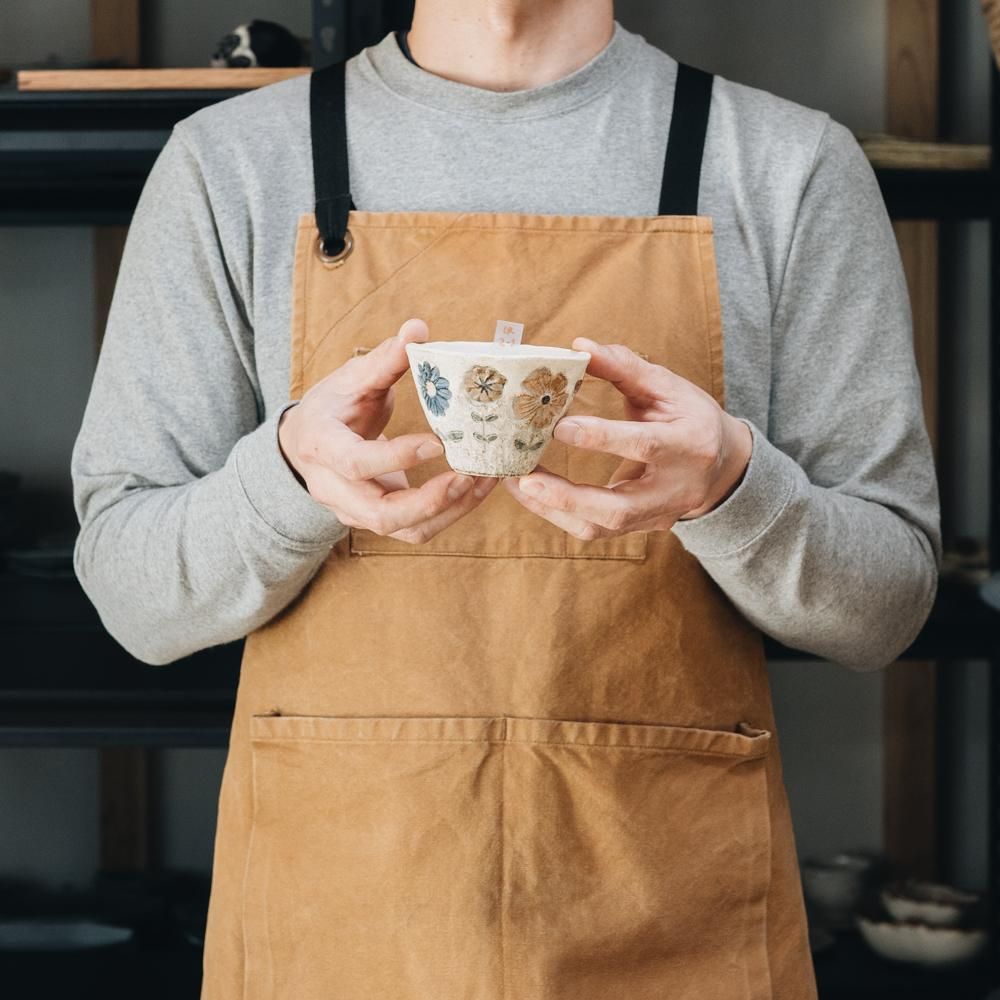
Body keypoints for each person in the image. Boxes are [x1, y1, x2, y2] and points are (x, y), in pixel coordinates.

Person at [71, 1, 940, 997]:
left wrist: (734, 487)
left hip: (670, 913)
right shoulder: (230, 166)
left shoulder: (786, 166)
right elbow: (133, 598)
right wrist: (288, 480)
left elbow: (887, 608)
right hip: (338, 921)